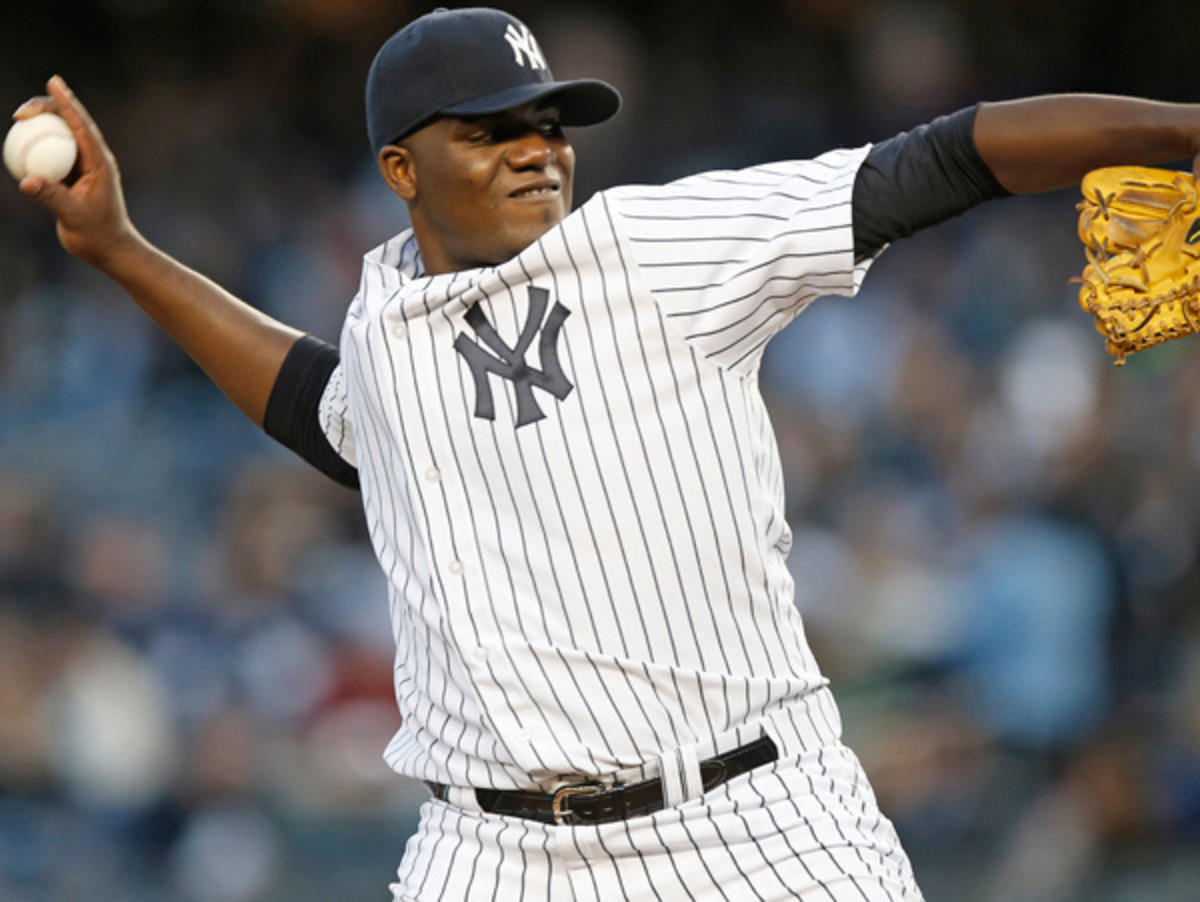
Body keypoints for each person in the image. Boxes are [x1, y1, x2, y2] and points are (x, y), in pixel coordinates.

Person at [13, 6, 1200, 900]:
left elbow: (941, 159)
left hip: (755, 818)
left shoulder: (657, 249)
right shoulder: (383, 322)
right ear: (400, 172)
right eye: (492, 131)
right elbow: (321, 407)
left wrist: (1182, 131)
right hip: (494, 847)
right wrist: (118, 248)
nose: (540, 150)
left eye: (549, 124)